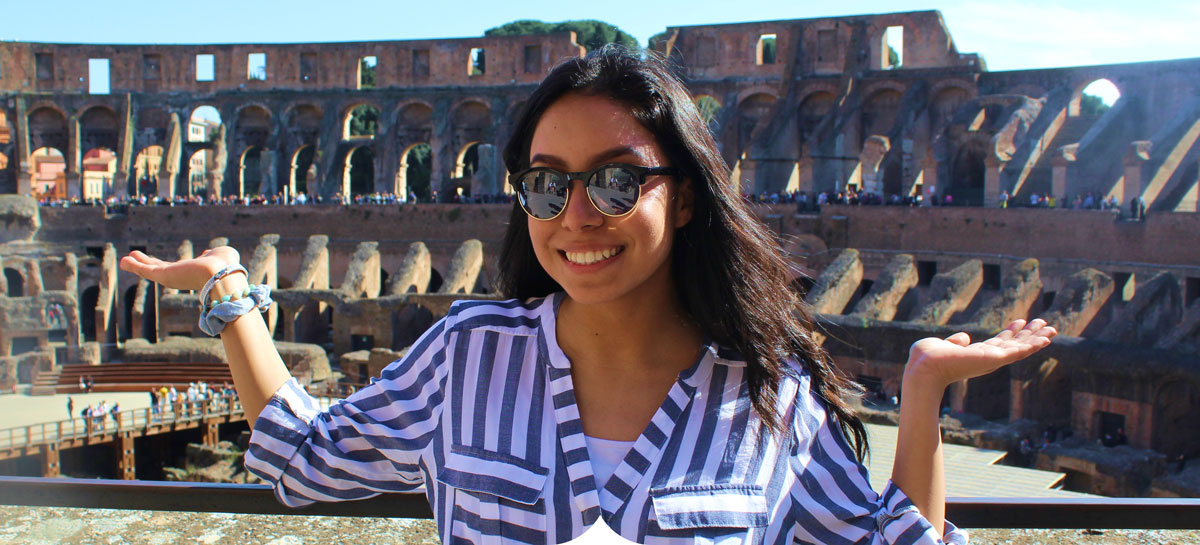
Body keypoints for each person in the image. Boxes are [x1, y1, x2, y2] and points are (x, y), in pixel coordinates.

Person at [120, 46, 1056, 544]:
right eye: (545, 182)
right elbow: (304, 456)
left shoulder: (765, 400)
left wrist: (926, 390)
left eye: (616, 182)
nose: (578, 214)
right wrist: (232, 295)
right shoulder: (469, 355)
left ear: (682, 195)